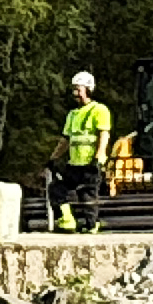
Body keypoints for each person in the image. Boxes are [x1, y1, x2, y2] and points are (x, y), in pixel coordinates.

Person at [54, 69, 114, 231]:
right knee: (58, 190)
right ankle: (68, 220)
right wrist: (53, 158)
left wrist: (99, 157)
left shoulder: (99, 110)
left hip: (90, 163)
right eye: (74, 89)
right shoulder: (72, 114)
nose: (75, 93)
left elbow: (104, 134)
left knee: (88, 196)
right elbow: (65, 140)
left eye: (78, 90)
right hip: (74, 164)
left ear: (88, 90)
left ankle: (91, 225)